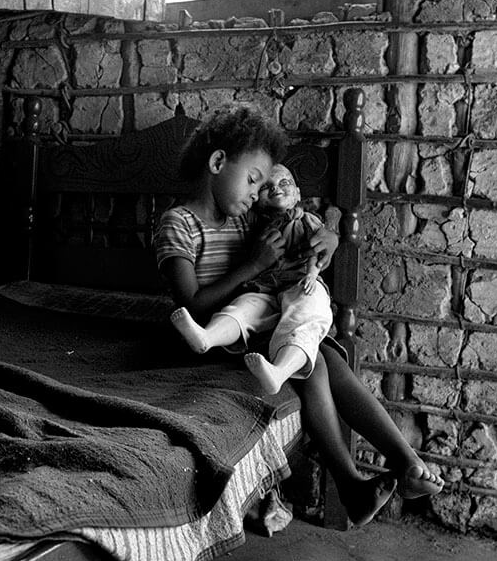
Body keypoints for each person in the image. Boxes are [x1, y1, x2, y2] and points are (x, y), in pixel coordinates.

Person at [152, 106, 443, 525]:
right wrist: (252, 266)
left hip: (256, 329)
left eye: (262, 187)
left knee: (326, 355)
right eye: (253, 180)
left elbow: (298, 226)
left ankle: (398, 462)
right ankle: (353, 480)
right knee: (319, 361)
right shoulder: (178, 224)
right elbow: (192, 306)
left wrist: (328, 235)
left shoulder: (247, 215)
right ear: (217, 163)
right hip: (213, 335)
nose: (257, 193)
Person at [168, 162, 332, 394]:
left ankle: (280, 370)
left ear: (298, 194)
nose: (276, 189)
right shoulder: (251, 221)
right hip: (263, 288)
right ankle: (206, 336)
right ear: (255, 198)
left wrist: (314, 271)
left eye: (284, 183)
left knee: (306, 315)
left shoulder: (307, 220)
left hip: (301, 284)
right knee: (242, 308)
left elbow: (320, 248)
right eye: (266, 187)